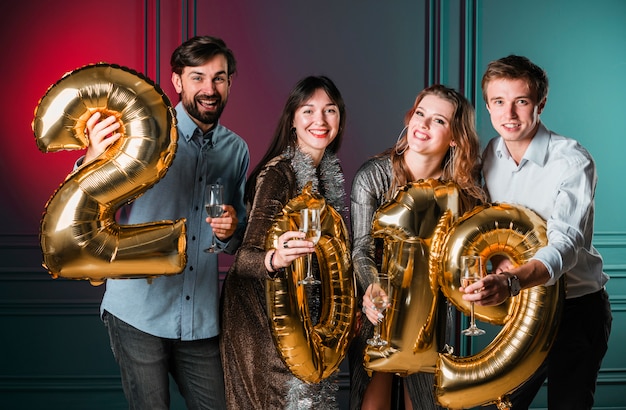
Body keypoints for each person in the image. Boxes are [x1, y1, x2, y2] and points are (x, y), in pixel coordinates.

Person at [78, 35, 249, 409]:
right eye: (198, 77)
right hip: (138, 311)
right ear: (177, 81)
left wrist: (232, 229)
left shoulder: (236, 150)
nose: (209, 88)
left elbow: (236, 236)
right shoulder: (142, 131)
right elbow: (88, 205)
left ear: (230, 83)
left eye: (219, 78)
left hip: (199, 319)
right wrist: (93, 157)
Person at [464, 55, 612, 409]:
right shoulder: (490, 155)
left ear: (540, 105)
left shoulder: (573, 160)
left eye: (522, 102)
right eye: (499, 102)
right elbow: (496, 227)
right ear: (487, 106)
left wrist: (512, 280)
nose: (509, 114)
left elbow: (566, 245)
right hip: (524, 308)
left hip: (576, 310)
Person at [349, 84, 486, 410]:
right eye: (420, 114)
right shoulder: (373, 176)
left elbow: (469, 258)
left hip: (434, 313)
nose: (422, 125)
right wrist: (371, 290)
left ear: (455, 137)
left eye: (438, 120)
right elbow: (361, 249)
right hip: (377, 308)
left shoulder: (464, 191)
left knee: (425, 404)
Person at [220, 75, 347, 409]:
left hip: (300, 313)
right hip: (259, 320)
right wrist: (275, 258)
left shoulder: (325, 175)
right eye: (308, 111)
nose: (319, 121)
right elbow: (244, 259)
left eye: (330, 111)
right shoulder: (279, 174)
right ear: (292, 119)